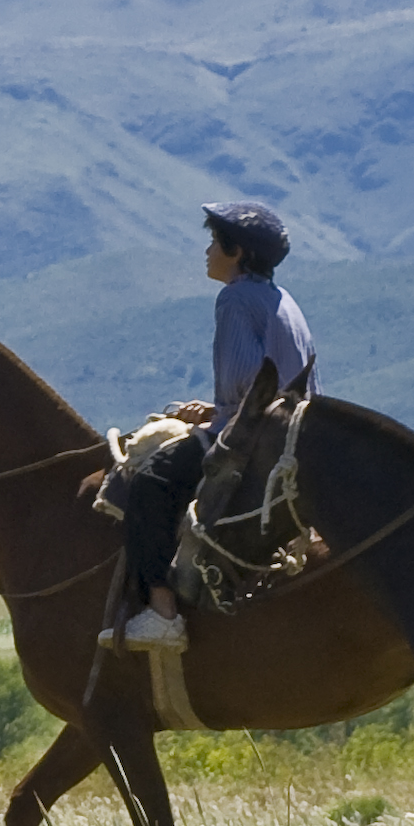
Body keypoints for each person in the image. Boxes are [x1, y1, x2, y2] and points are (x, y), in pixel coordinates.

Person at [120, 200, 316, 650]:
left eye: (215, 241)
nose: (208, 251)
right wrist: (213, 411)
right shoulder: (282, 299)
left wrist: (218, 414)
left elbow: (242, 382)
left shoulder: (234, 299)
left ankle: (163, 612)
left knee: (150, 480)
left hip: (258, 438)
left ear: (237, 251)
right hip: (292, 430)